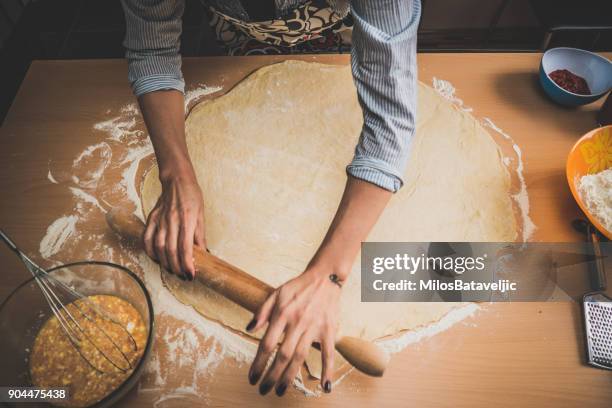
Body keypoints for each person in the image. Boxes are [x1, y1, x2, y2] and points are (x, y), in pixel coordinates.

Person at [121, 0, 420, 397]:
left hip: (353, 52)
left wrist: (327, 276)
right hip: (242, 46)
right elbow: (151, 50)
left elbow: (391, 118)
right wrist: (176, 174)